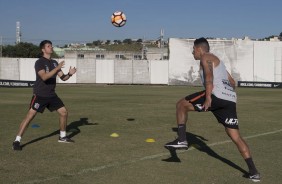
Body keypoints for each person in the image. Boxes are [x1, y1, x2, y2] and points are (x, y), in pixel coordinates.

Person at [165, 38, 260, 182]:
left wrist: (209, 97)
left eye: (193, 49)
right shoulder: (219, 63)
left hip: (215, 95)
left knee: (181, 105)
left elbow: (209, 77)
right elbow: (232, 82)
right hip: (229, 100)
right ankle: (254, 172)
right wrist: (227, 95)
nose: (192, 52)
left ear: (200, 49)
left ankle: (182, 139)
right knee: (236, 137)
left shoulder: (206, 57)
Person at [12, 40, 77, 151]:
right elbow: (44, 77)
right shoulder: (39, 62)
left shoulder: (55, 62)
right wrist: (56, 69)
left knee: (64, 112)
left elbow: (63, 78)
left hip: (51, 95)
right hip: (40, 95)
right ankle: (17, 140)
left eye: (51, 46)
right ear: (43, 49)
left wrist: (70, 74)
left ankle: (62, 136)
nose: (51, 47)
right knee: (30, 116)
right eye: (48, 46)